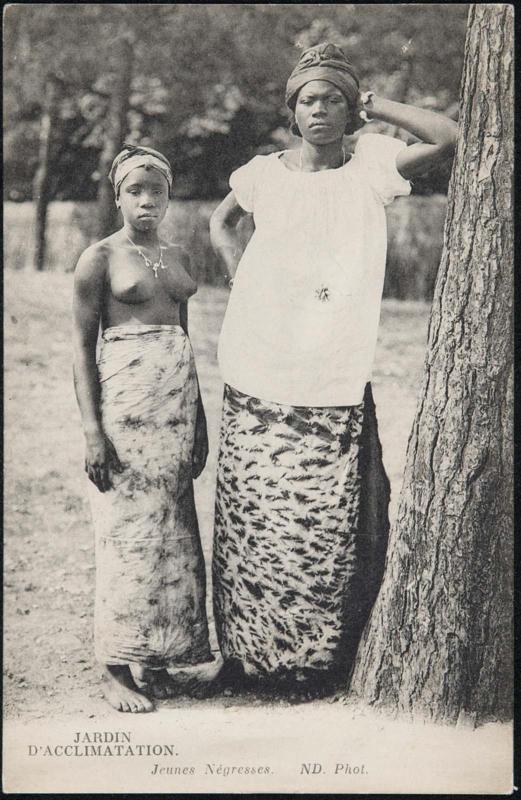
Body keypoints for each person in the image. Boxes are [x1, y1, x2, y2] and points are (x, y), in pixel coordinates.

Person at [209, 42, 458, 700]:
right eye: (308, 99)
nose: (320, 109)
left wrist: (373, 104)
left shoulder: (371, 166)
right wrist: (242, 279)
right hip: (258, 363)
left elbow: (446, 134)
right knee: (251, 518)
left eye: (334, 99)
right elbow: (220, 220)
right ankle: (245, 658)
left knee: (318, 524)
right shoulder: (263, 172)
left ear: (350, 110)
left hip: (330, 374)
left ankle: (311, 665)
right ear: (291, 111)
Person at [72, 145, 213, 712]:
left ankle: (156, 658)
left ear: (169, 195)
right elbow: (81, 351)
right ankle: (115, 667)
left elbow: (185, 338)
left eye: (156, 190)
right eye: (135, 191)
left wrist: (200, 419)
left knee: (170, 531)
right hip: (124, 411)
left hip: (175, 408)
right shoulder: (99, 258)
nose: (147, 201)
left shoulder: (178, 256)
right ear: (118, 195)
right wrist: (91, 432)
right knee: (124, 532)